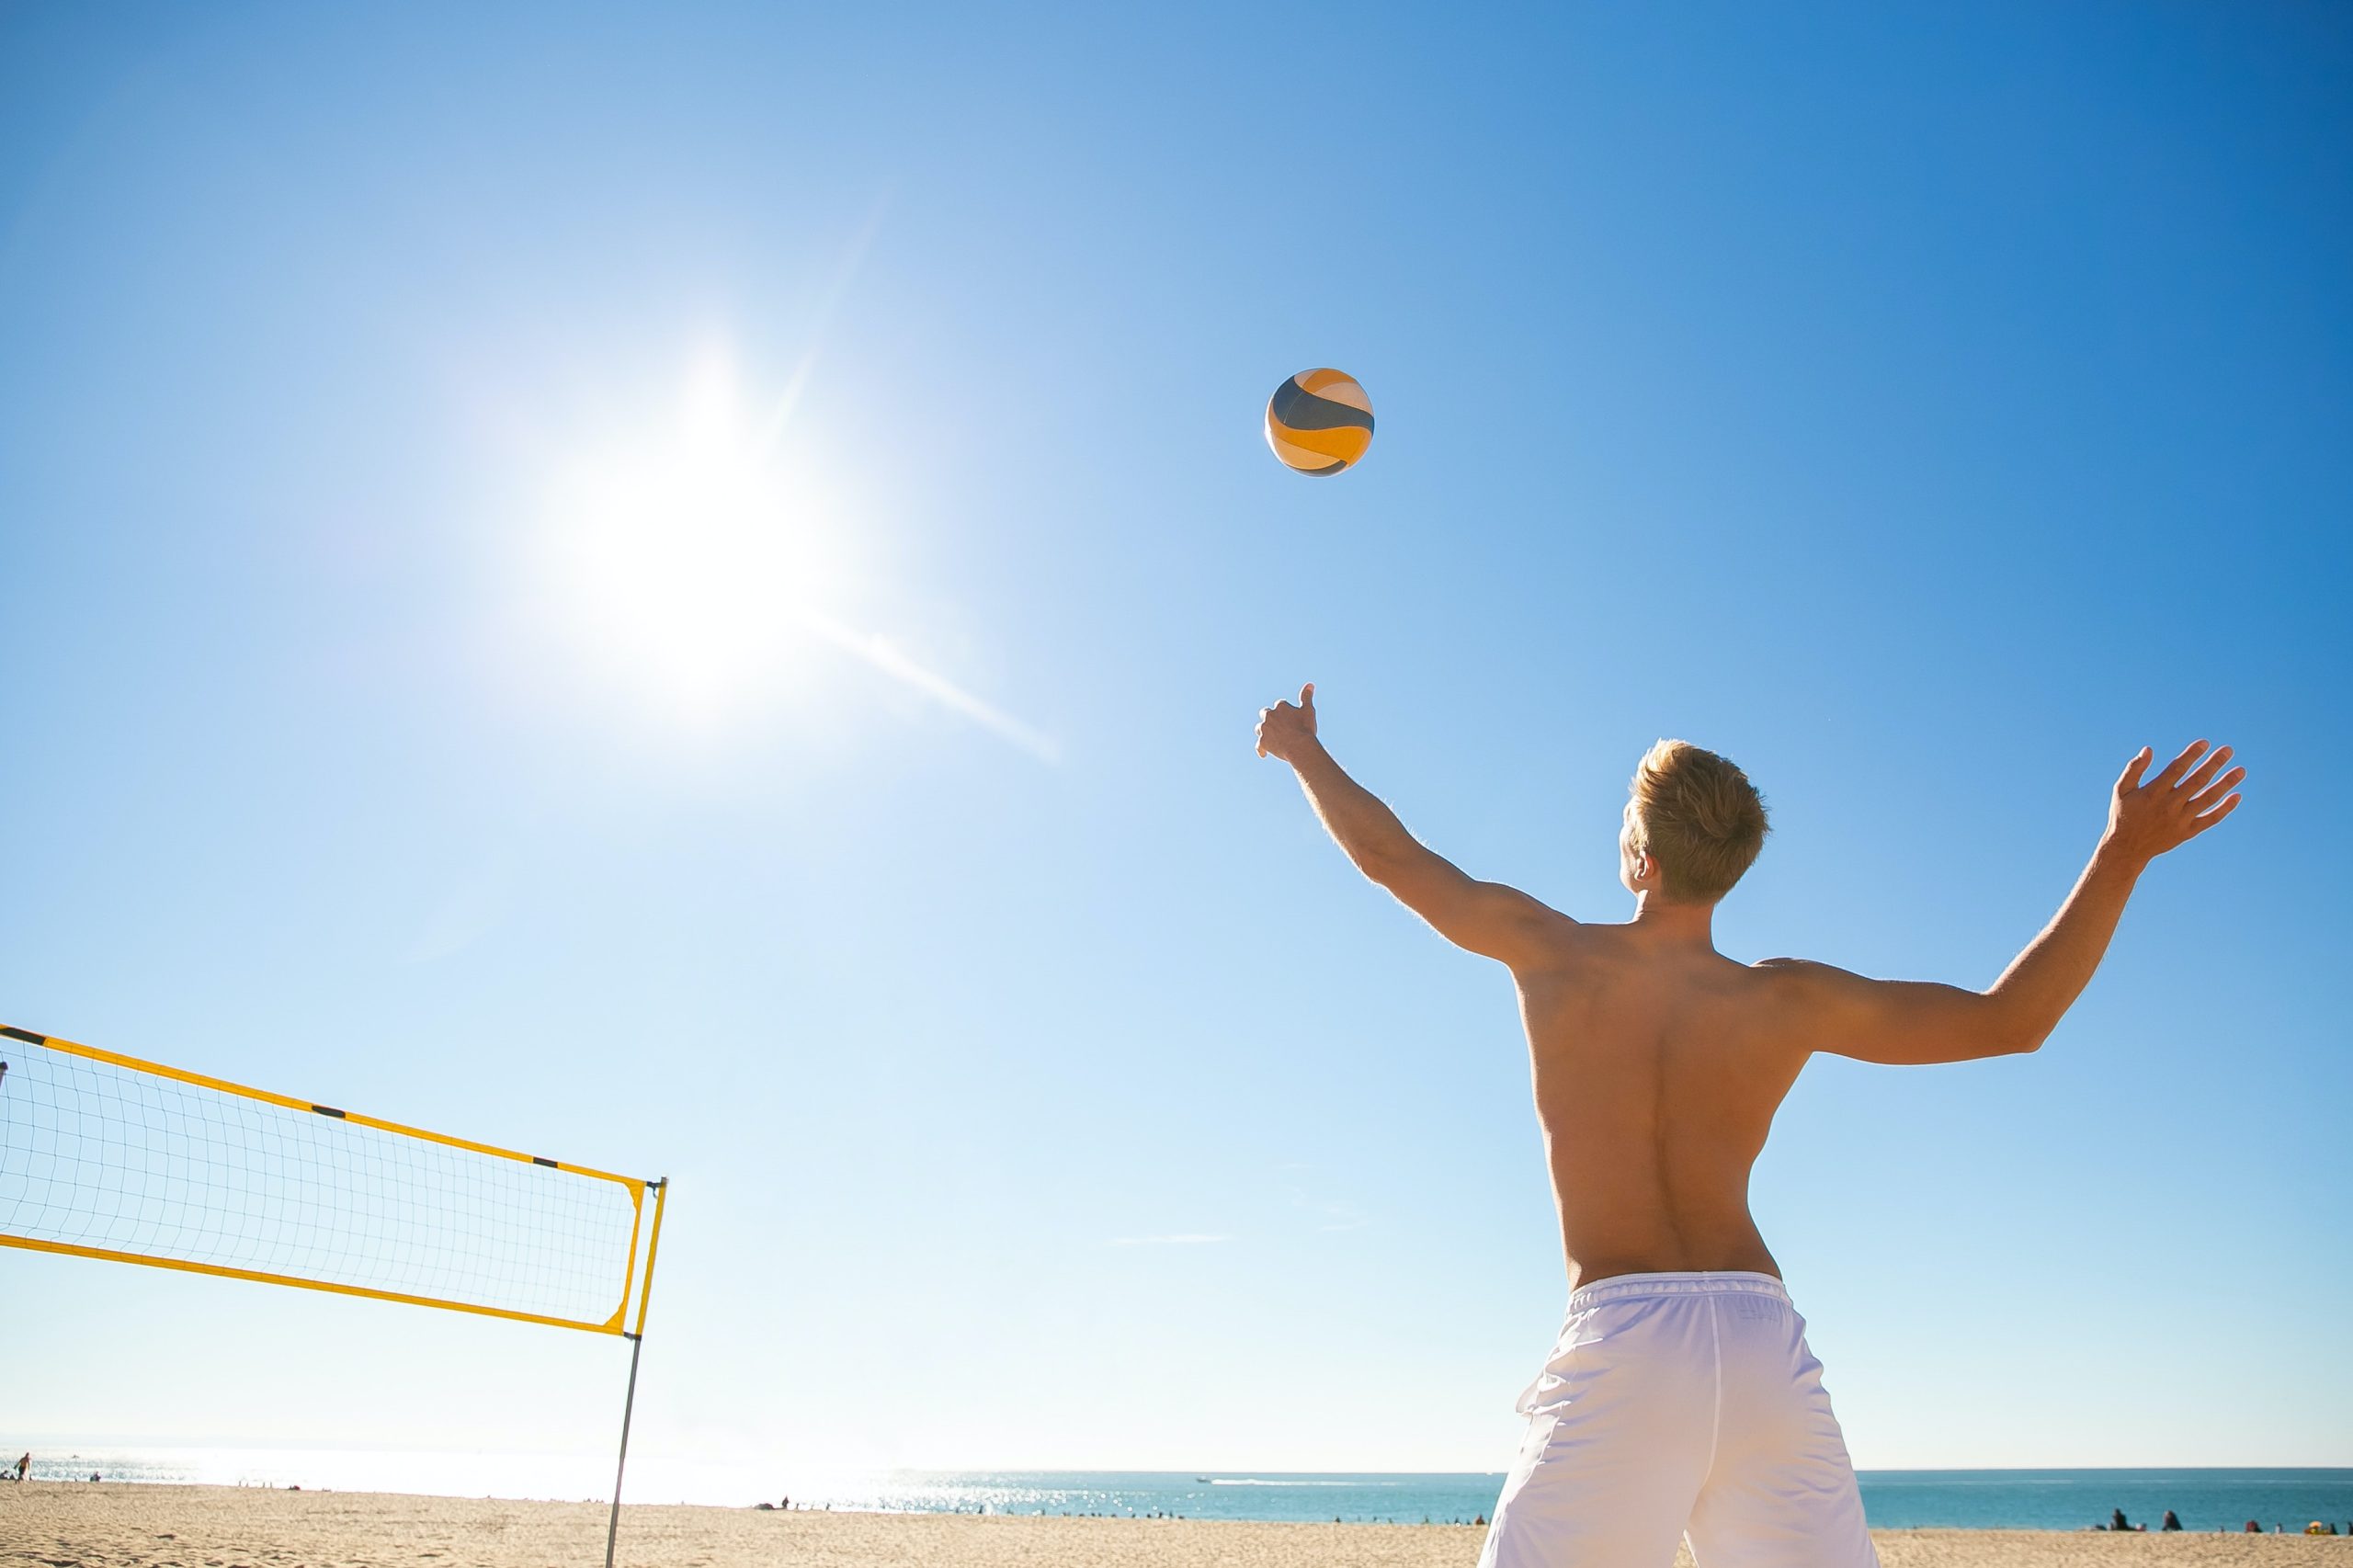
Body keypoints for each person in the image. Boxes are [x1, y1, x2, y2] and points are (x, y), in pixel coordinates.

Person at [1254, 684, 2243, 1568]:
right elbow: (2011, 1019)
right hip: (1763, 1343)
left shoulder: (1554, 954)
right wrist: (2121, 853)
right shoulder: (1785, 1000)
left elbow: (1388, 855)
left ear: (1639, 859)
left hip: (1626, 1337)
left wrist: (1300, 747)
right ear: (1728, 870)